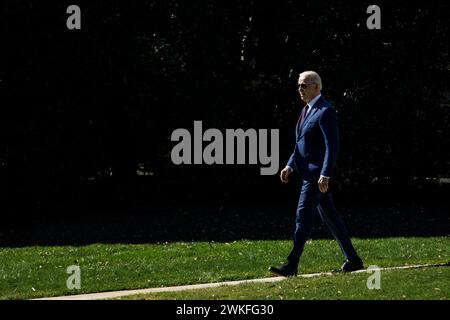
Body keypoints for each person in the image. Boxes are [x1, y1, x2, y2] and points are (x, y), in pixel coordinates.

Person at [269, 71, 363, 277]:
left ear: (317, 87)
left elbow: (332, 146)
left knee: (303, 216)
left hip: (316, 177)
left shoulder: (326, 111)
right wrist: (289, 166)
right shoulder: (306, 111)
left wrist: (325, 174)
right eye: (299, 85)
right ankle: (353, 259)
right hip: (308, 174)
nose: (300, 89)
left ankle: (292, 264)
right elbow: (301, 145)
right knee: (331, 217)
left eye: (304, 85)